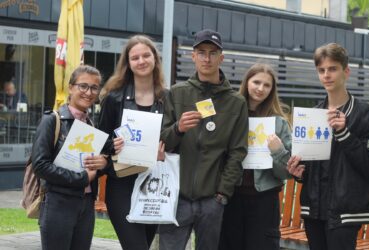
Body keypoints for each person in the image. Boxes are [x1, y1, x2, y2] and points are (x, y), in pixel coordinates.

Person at [286, 43, 369, 250]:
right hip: (314, 208)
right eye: (321, 70)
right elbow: (312, 167)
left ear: (346, 71)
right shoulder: (313, 115)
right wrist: (299, 173)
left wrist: (344, 134)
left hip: (345, 212)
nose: (326, 75)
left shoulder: (365, 113)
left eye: (332, 69)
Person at [159, 29, 248, 250]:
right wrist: (178, 129)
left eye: (212, 53)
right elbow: (161, 142)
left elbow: (238, 151)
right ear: (193, 56)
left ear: (221, 58)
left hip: (212, 200)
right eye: (201, 52)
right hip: (176, 197)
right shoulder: (176, 94)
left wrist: (222, 193)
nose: (206, 58)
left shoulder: (236, 103)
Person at [97, 34, 166, 250]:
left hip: (154, 184)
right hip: (122, 184)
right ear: (128, 63)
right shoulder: (114, 98)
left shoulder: (168, 98)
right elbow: (101, 140)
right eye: (135, 57)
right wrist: (112, 145)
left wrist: (166, 151)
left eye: (146, 55)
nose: (141, 61)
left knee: (144, 244)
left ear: (155, 58)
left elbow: (176, 139)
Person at [31, 65, 107, 250]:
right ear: (71, 87)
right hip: (59, 203)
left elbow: (93, 166)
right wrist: (82, 178)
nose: (88, 92)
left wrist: (103, 163)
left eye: (94, 88)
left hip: (86, 205)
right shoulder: (52, 120)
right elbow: (40, 165)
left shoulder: (91, 125)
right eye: (83, 86)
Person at [219, 63, 292, 250]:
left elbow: (286, 173)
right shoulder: (230, 115)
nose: (260, 89)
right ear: (246, 82)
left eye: (266, 85)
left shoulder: (279, 123)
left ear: (272, 90)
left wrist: (278, 151)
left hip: (264, 200)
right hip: (231, 197)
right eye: (256, 82)